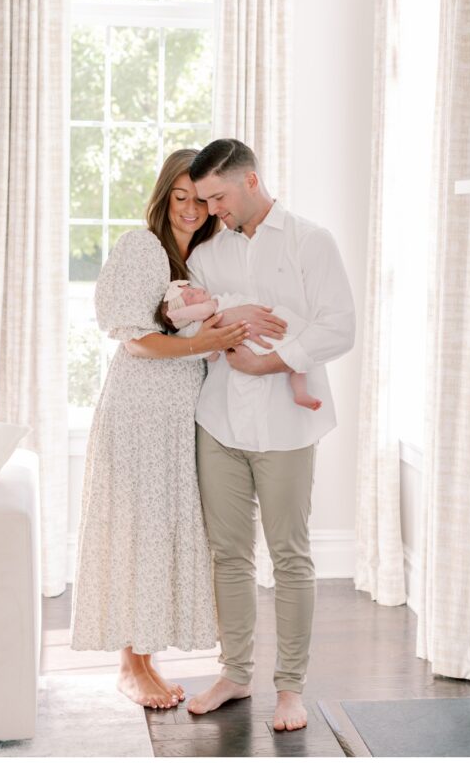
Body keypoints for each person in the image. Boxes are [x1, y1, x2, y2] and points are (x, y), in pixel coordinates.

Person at [69, 149, 261, 710]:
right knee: (138, 532)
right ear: (163, 198)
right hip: (139, 412)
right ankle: (131, 666)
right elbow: (134, 339)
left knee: (161, 534)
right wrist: (207, 342)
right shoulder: (142, 247)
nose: (190, 211)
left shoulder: (197, 257)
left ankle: (146, 659)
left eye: (200, 201)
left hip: (178, 415)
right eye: (179, 199)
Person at [183, 138, 356, 732]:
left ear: (250, 181)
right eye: (203, 200)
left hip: (287, 423)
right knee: (228, 553)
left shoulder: (311, 241)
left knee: (290, 555)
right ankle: (235, 673)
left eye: (219, 197)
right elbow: (199, 319)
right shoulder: (210, 250)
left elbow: (339, 327)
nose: (212, 210)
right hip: (220, 420)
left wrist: (273, 359)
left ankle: (290, 688)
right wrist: (233, 317)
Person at [159, 280, 322, 410]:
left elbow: (204, 319)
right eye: (191, 295)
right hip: (250, 342)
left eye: (192, 288)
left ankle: (301, 392)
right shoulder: (203, 321)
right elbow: (213, 354)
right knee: (294, 364)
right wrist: (177, 316)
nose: (197, 290)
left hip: (260, 329)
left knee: (293, 359)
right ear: (188, 316)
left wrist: (179, 314)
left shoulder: (214, 304)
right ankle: (300, 393)